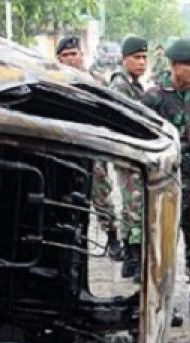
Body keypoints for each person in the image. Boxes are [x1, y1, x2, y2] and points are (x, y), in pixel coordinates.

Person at [143, 38, 190, 322]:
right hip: (167, 183)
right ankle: (165, 300)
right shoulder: (154, 98)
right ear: (174, 66)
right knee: (164, 245)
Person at [56, 36, 124, 261]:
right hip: (65, 149)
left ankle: (113, 239)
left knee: (101, 195)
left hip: (93, 148)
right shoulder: (52, 82)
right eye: (65, 56)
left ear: (81, 55)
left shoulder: (95, 82)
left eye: (73, 54)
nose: (70, 59)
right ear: (58, 58)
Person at [108, 36, 149, 280]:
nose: (142, 62)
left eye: (145, 58)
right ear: (125, 59)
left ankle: (130, 262)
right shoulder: (120, 85)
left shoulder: (132, 83)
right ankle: (135, 260)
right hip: (129, 154)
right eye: (137, 58)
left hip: (132, 154)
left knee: (130, 207)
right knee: (135, 208)